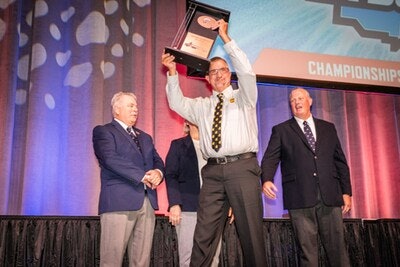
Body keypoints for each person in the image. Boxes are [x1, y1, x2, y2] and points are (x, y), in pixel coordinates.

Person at [162, 20, 266, 267]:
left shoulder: (244, 98)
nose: (218, 74)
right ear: (207, 79)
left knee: (251, 234)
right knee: (204, 234)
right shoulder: (202, 106)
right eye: (213, 72)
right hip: (212, 173)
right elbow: (177, 103)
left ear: (229, 74)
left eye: (222, 70)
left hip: (242, 169)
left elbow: (248, 73)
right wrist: (173, 72)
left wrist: (226, 39)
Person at [261, 87, 352, 266]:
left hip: (330, 195)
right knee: (307, 253)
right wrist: (267, 179)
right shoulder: (281, 130)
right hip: (299, 197)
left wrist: (346, 192)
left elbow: (340, 161)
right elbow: (270, 159)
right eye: (293, 100)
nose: (297, 102)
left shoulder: (328, 128)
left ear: (310, 101)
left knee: (338, 251)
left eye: (300, 98)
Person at [92, 91, 164, 267]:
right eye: (130, 105)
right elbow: (110, 159)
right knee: (112, 260)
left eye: (136, 106)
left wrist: (158, 173)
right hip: (118, 202)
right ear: (117, 109)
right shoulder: (104, 131)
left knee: (142, 261)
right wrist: (142, 176)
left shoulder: (145, 137)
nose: (135, 109)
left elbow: (157, 160)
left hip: (147, 203)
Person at [165, 121, 224, 267]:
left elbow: (225, 177)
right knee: (188, 257)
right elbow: (170, 175)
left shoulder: (216, 146)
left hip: (214, 208)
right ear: (187, 122)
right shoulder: (178, 145)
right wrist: (174, 203)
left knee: (213, 257)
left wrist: (230, 203)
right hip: (188, 207)